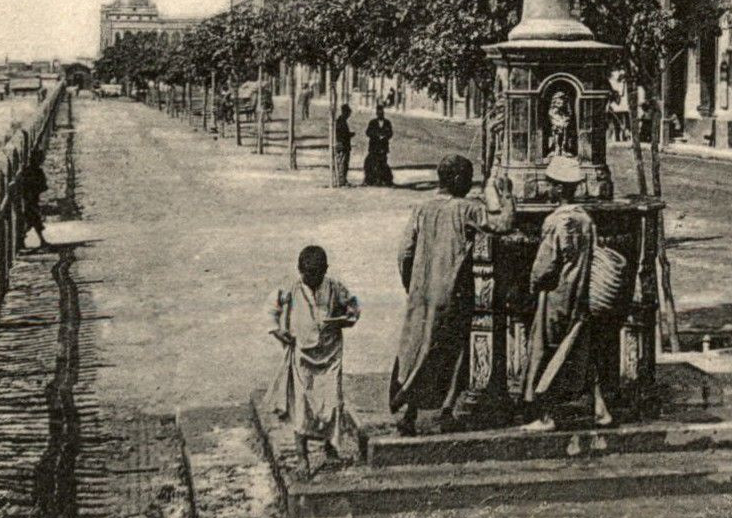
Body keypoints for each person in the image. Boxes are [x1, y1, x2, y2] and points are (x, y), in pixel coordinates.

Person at [390, 156, 516, 436]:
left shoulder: (422, 207)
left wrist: (411, 284)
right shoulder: (466, 209)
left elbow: (404, 252)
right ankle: (446, 410)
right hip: (452, 292)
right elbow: (502, 224)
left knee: (415, 348)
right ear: (459, 181)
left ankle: (409, 412)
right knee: (454, 350)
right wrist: (506, 195)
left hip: (421, 293)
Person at [523, 156, 616, 430]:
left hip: (556, 294)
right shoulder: (586, 220)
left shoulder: (555, 221)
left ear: (557, 188)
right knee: (579, 351)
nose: (548, 189)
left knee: (546, 350)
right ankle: (601, 410)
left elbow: (545, 266)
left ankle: (545, 415)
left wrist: (533, 285)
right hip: (581, 293)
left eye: (551, 184)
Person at [264, 245, 360, 477]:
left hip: (330, 355)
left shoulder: (335, 287)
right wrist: (278, 331)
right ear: (300, 271)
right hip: (303, 358)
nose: (312, 279)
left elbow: (353, 309)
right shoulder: (292, 288)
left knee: (332, 403)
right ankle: (302, 458)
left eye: (317, 274)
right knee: (303, 407)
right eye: (307, 275)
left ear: (325, 271)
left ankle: (330, 446)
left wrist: (344, 320)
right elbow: (271, 308)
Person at [19, 153, 49, 245]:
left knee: (33, 221)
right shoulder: (36, 171)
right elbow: (43, 186)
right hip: (29, 199)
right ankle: (23, 240)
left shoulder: (27, 171)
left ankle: (41, 241)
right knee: (32, 221)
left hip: (29, 199)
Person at [363, 104, 394, 187]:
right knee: (372, 163)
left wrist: (385, 136)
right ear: (376, 113)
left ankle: (383, 180)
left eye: (382, 112)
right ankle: (372, 180)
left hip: (383, 147)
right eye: (379, 112)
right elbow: (368, 132)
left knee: (383, 163)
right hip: (374, 147)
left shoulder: (387, 123)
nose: (380, 114)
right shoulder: (372, 122)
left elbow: (390, 133)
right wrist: (376, 135)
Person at [332, 105, 353, 186]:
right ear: (345, 112)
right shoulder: (341, 122)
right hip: (342, 145)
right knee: (342, 163)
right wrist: (349, 135)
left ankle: (342, 179)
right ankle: (341, 180)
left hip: (344, 145)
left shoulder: (342, 121)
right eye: (348, 113)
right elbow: (341, 135)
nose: (349, 115)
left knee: (344, 163)